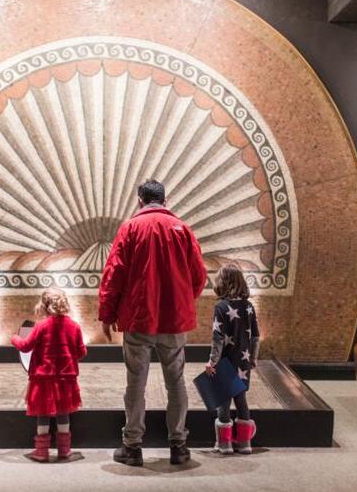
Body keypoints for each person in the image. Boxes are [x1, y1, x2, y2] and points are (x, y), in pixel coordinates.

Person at [98, 179, 207, 466]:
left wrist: (107, 314)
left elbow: (114, 274)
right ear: (165, 200)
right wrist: (181, 300)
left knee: (136, 383)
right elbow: (199, 276)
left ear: (139, 201)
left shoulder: (130, 228)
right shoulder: (182, 230)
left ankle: (132, 447)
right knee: (176, 382)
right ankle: (179, 446)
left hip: (138, 320)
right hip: (173, 322)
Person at [11, 288, 87, 462]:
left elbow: (25, 346)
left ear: (44, 306)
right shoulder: (74, 326)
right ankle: (64, 450)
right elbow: (81, 352)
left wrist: (14, 338)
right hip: (66, 378)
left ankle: (41, 452)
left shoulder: (41, 326)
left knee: (42, 413)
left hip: (43, 378)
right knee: (63, 412)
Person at [206, 264, 260, 455]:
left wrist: (212, 362)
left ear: (223, 282)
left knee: (224, 401)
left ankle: (225, 444)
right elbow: (255, 337)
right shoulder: (249, 306)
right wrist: (253, 358)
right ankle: (245, 443)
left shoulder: (221, 307)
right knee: (241, 399)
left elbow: (217, 338)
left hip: (225, 361)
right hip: (243, 362)